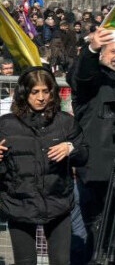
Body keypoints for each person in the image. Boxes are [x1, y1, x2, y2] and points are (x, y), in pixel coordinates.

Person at [0, 67, 89, 265]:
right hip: (19, 204)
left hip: (57, 203)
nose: (41, 97)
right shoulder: (5, 125)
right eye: (35, 92)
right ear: (25, 93)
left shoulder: (65, 122)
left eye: (45, 91)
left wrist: (70, 148)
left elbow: (84, 155)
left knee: (61, 261)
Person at [67, 27, 115, 263]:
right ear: (102, 54)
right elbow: (83, 75)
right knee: (95, 234)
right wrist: (91, 49)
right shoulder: (93, 79)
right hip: (97, 169)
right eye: (114, 51)